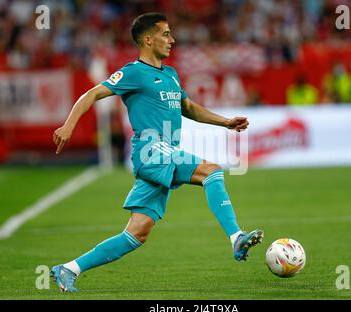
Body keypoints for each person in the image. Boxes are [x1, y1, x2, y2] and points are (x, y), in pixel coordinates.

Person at [50, 13, 264, 292]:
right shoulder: (133, 72)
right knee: (211, 171)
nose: (172, 40)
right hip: (150, 149)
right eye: (165, 34)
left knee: (137, 233)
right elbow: (91, 94)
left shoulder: (171, 75)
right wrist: (68, 125)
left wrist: (225, 122)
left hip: (166, 152)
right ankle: (236, 236)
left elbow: (189, 108)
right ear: (147, 39)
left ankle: (69, 269)